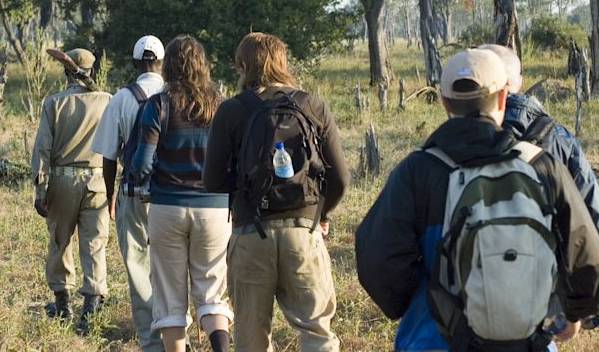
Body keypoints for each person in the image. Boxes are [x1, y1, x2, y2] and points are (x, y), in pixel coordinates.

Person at [355, 48, 599, 351]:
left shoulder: (417, 171)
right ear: (503, 97)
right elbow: (584, 247)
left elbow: (376, 257)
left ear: (444, 102)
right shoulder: (542, 166)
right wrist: (574, 311)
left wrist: (415, 299)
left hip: (434, 339)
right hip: (529, 340)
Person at [203, 32, 350, 351]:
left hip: (250, 233)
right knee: (316, 330)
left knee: (251, 336)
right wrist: (319, 215)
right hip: (303, 232)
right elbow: (340, 180)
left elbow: (211, 181)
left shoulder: (231, 111)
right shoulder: (313, 105)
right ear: (283, 63)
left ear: (242, 66)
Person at [130, 34, 233, 352]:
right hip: (215, 210)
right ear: (204, 66)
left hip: (167, 208)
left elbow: (142, 163)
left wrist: (140, 175)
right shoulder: (221, 104)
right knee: (212, 294)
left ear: (168, 66)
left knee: (170, 300)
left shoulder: (157, 105)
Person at [90, 35, 166, 351]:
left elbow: (108, 156)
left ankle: (152, 342)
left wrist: (110, 198)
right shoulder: (176, 94)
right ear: (162, 62)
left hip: (133, 194)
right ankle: (179, 334)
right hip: (173, 195)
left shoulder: (121, 98)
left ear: (135, 63)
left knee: (139, 268)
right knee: (174, 268)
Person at [31, 48, 112, 333]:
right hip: (99, 181)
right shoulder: (107, 102)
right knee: (95, 243)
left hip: (62, 181)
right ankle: (92, 303)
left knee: (60, 240)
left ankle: (62, 303)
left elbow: (42, 148)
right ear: (93, 70)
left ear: (67, 71)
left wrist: (40, 190)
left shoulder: (53, 103)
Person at [479, 43, 599, 227]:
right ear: (519, 81)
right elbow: (591, 209)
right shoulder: (560, 138)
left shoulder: (453, 138)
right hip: (546, 251)